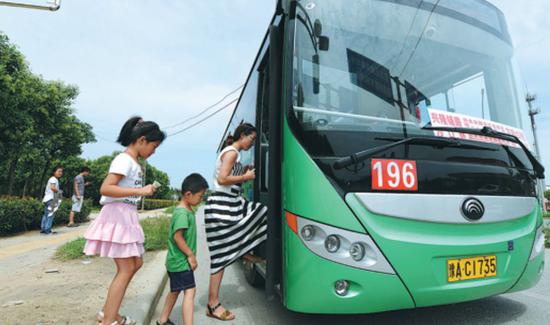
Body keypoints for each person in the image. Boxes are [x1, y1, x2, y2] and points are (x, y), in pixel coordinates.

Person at [83, 116, 165, 325]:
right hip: (117, 216)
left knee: (136, 263)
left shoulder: (133, 162)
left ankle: (108, 312)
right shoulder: (124, 160)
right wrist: (139, 190)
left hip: (125, 215)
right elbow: (106, 188)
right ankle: (110, 319)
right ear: (142, 140)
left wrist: (141, 192)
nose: (154, 152)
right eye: (154, 146)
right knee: (127, 268)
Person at [204, 122, 268, 321]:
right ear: (243, 135)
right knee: (220, 257)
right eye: (252, 138)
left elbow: (230, 178)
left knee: (260, 212)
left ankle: (245, 251)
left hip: (230, 204)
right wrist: (246, 175)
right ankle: (213, 304)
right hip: (223, 207)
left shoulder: (233, 153)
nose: (253, 143)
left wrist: (242, 174)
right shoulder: (232, 153)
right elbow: (222, 179)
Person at [157, 173, 208, 325]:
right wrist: (191, 256)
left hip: (177, 261)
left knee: (175, 290)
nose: (201, 199)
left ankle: (162, 320)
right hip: (181, 262)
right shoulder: (182, 213)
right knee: (190, 292)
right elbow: (177, 237)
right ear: (188, 194)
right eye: (200, 196)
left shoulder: (186, 210)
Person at [40, 166, 63, 235]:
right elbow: (53, 188)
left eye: (61, 171)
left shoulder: (53, 179)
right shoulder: (53, 179)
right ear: (54, 172)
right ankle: (48, 230)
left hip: (47, 199)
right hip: (51, 199)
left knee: (46, 214)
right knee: (50, 215)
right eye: (58, 171)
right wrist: (59, 192)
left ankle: (43, 229)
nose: (60, 173)